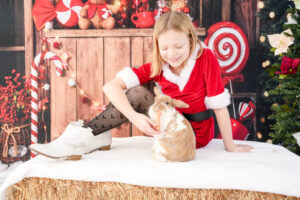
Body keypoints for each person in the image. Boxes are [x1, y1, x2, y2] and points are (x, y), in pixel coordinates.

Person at [30, 11, 253, 160]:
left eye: (178, 46)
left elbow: (219, 105)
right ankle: (92, 135)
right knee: (137, 90)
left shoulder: (206, 58)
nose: (171, 54)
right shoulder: (159, 64)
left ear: (191, 41)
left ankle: (89, 137)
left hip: (195, 136)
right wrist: (135, 117)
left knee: (138, 93)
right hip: (169, 127)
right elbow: (110, 86)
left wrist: (230, 145)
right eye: (165, 48)